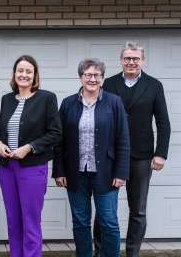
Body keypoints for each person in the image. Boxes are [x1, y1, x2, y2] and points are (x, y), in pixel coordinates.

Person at [94, 41, 171, 257]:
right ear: (120, 60)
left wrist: (161, 153)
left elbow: (163, 122)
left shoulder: (154, 85)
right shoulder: (107, 84)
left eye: (135, 58)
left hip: (142, 156)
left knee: (137, 210)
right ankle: (101, 252)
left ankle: (132, 253)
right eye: (127, 58)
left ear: (142, 61)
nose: (131, 62)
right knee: (104, 209)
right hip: (110, 155)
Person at [53, 58, 130, 257]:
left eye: (97, 75)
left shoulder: (114, 102)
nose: (92, 79)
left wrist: (121, 172)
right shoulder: (68, 103)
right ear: (80, 78)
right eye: (88, 74)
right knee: (80, 222)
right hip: (76, 173)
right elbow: (59, 141)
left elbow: (123, 139)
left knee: (109, 222)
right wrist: (59, 171)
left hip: (106, 173)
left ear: (102, 78)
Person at [0, 55, 62, 256]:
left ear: (35, 76)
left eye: (28, 71)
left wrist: (29, 147)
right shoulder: (6, 99)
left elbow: (55, 132)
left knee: (30, 220)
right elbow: (0, 130)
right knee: (13, 219)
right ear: (14, 74)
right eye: (20, 70)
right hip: (7, 167)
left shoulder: (46, 98)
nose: (23, 75)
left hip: (32, 167)